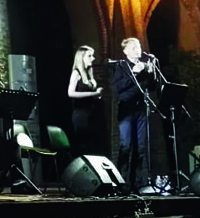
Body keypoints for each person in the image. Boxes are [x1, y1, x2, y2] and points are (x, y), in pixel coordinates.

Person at [109, 37, 162, 191]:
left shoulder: (144, 66)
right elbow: (119, 88)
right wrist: (134, 73)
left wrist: (151, 73)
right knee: (126, 145)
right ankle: (121, 181)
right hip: (126, 109)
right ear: (126, 51)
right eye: (133, 48)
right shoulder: (121, 66)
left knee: (141, 147)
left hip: (141, 110)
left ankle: (138, 182)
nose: (137, 50)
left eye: (138, 46)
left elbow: (152, 88)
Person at [67, 45, 105, 154]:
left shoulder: (89, 73)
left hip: (91, 113)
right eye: (89, 56)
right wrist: (93, 93)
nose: (93, 58)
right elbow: (70, 93)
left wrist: (97, 94)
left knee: (93, 145)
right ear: (81, 58)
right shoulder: (76, 73)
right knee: (83, 145)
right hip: (81, 114)